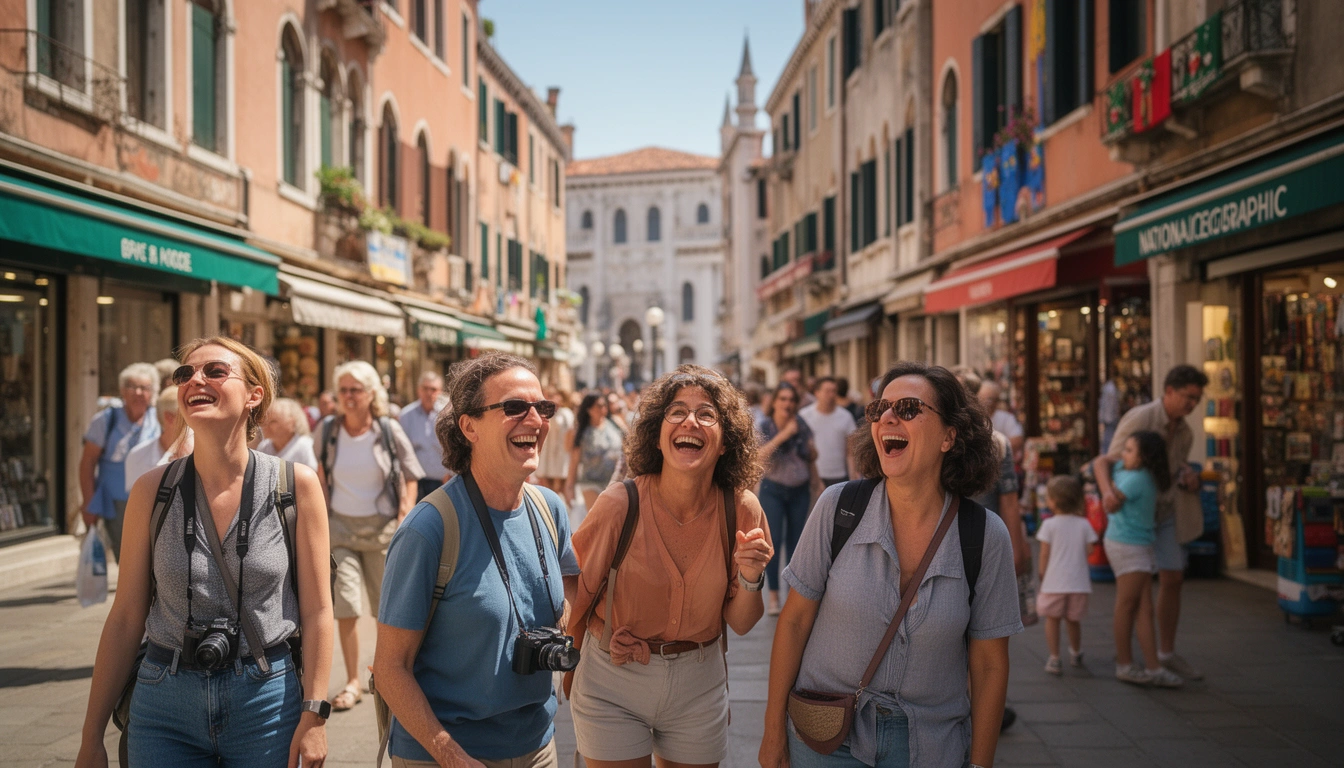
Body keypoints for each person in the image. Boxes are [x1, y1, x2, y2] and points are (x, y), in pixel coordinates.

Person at [75, 337, 333, 768]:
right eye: (185, 373)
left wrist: (316, 714)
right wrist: (91, 737)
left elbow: (319, 610)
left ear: (254, 395)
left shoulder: (295, 485)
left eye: (215, 371)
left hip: (266, 699)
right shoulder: (151, 491)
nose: (195, 379)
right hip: (163, 701)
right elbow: (124, 617)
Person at [760, 362, 1022, 768]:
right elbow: (793, 623)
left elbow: (989, 664)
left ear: (949, 436)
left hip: (929, 744)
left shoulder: (985, 536)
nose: (887, 417)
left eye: (909, 408)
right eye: (879, 408)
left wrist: (981, 764)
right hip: (825, 736)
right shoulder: (837, 508)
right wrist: (773, 732)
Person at [372, 354, 579, 768]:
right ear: (469, 427)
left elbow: (570, 587)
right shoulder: (429, 530)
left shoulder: (549, 509)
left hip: (537, 746)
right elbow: (390, 669)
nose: (535, 420)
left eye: (543, 408)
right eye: (515, 407)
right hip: (445, 753)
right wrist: (451, 755)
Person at [566, 365, 774, 768]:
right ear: (658, 437)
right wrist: (571, 665)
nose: (689, 421)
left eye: (707, 413)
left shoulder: (742, 509)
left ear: (725, 442)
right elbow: (576, 595)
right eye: (676, 412)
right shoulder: (618, 504)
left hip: (699, 684)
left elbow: (744, 622)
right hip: (613, 679)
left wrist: (751, 577)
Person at [316, 360, 425, 712]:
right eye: (343, 390)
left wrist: (406, 509)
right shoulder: (328, 430)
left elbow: (411, 473)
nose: (348, 397)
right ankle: (351, 681)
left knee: (386, 608)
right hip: (341, 530)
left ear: (370, 394)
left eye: (355, 390)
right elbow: (319, 476)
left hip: (382, 530)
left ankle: (387, 672)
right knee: (345, 606)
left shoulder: (388, 430)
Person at [1092, 364, 1208, 682]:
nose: (1192, 405)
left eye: (1197, 400)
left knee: (1172, 579)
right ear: (1169, 391)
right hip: (1134, 520)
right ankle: (1129, 659)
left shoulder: (1185, 431)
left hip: (1165, 511)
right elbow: (1109, 460)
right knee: (1135, 597)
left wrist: (1188, 475)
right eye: (1188, 397)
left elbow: (1172, 466)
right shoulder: (1141, 418)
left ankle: (1164, 656)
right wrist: (1107, 495)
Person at [1100, 431, 1183, 688]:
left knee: (1143, 608)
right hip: (1129, 545)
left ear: (1144, 456)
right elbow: (1111, 503)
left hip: (1135, 543)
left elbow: (1107, 486)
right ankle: (1125, 664)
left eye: (1129, 450)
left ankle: (1152, 665)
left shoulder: (1131, 476)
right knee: (1128, 605)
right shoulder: (1137, 477)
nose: (1122, 455)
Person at [79, 362, 162, 562]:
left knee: (153, 556)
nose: (139, 393)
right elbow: (87, 462)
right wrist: (88, 502)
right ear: (122, 391)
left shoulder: (159, 418)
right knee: (127, 557)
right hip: (116, 503)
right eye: (132, 387)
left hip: (154, 500)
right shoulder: (106, 420)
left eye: (145, 388)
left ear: (153, 393)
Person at [756, 382, 821, 616]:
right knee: (772, 544)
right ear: (774, 402)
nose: (787, 403)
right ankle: (774, 597)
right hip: (773, 489)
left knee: (797, 545)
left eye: (791, 400)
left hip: (800, 490)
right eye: (782, 399)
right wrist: (784, 435)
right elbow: (759, 458)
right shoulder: (765, 427)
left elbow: (811, 457)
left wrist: (817, 482)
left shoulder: (801, 425)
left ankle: (793, 597)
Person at [1035, 475, 1098, 675]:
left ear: (1053, 501)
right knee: (1073, 620)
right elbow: (1090, 549)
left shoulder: (1049, 525)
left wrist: (1042, 572)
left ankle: (1054, 658)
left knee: (1052, 620)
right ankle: (1076, 652)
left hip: (1054, 582)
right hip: (1078, 582)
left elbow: (1044, 553)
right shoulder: (1084, 524)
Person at [124, 386, 191, 493]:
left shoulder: (205, 454)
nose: (194, 418)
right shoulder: (136, 456)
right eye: (187, 414)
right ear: (170, 418)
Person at [566, 393, 625, 510]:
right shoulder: (582, 433)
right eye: (598, 405)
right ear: (589, 409)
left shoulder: (615, 423)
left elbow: (628, 444)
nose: (603, 408)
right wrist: (569, 487)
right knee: (599, 520)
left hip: (615, 482)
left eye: (604, 405)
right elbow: (574, 461)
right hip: (591, 483)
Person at [399, 371, 452, 501]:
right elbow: (401, 451)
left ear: (440, 391)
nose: (429, 393)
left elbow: (454, 447)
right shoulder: (406, 415)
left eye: (433, 389)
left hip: (443, 481)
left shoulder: (447, 415)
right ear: (419, 390)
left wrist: (451, 475)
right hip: (415, 483)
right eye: (425, 388)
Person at [799, 377, 857, 487]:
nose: (831, 395)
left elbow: (851, 450)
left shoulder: (846, 416)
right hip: (812, 476)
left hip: (839, 476)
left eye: (834, 391)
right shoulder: (804, 416)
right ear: (817, 393)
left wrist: (853, 475)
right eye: (827, 391)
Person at [259, 397, 320, 470]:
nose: (266, 426)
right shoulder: (264, 447)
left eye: (273, 422)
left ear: (292, 423)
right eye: (265, 421)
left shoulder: (305, 446)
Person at [536, 386, 575, 494]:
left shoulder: (566, 413)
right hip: (546, 451)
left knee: (558, 486)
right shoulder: (542, 411)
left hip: (560, 452)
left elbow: (570, 433)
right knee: (545, 484)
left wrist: (569, 452)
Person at [977, 379, 1024, 459]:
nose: (989, 402)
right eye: (986, 398)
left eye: (993, 399)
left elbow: (1017, 440)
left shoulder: (1007, 418)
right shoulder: (974, 418)